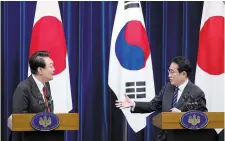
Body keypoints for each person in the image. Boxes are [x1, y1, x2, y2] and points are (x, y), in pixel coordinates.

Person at [115, 56, 207, 141]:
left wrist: (183, 116)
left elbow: (204, 120)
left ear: (183, 74)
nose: (169, 75)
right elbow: (153, 105)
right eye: (169, 71)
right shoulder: (168, 87)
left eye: (172, 72)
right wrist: (133, 104)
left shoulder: (197, 93)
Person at [10, 51, 55, 141]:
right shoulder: (23, 88)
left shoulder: (46, 85)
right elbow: (20, 120)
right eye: (51, 66)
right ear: (40, 70)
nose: (54, 69)